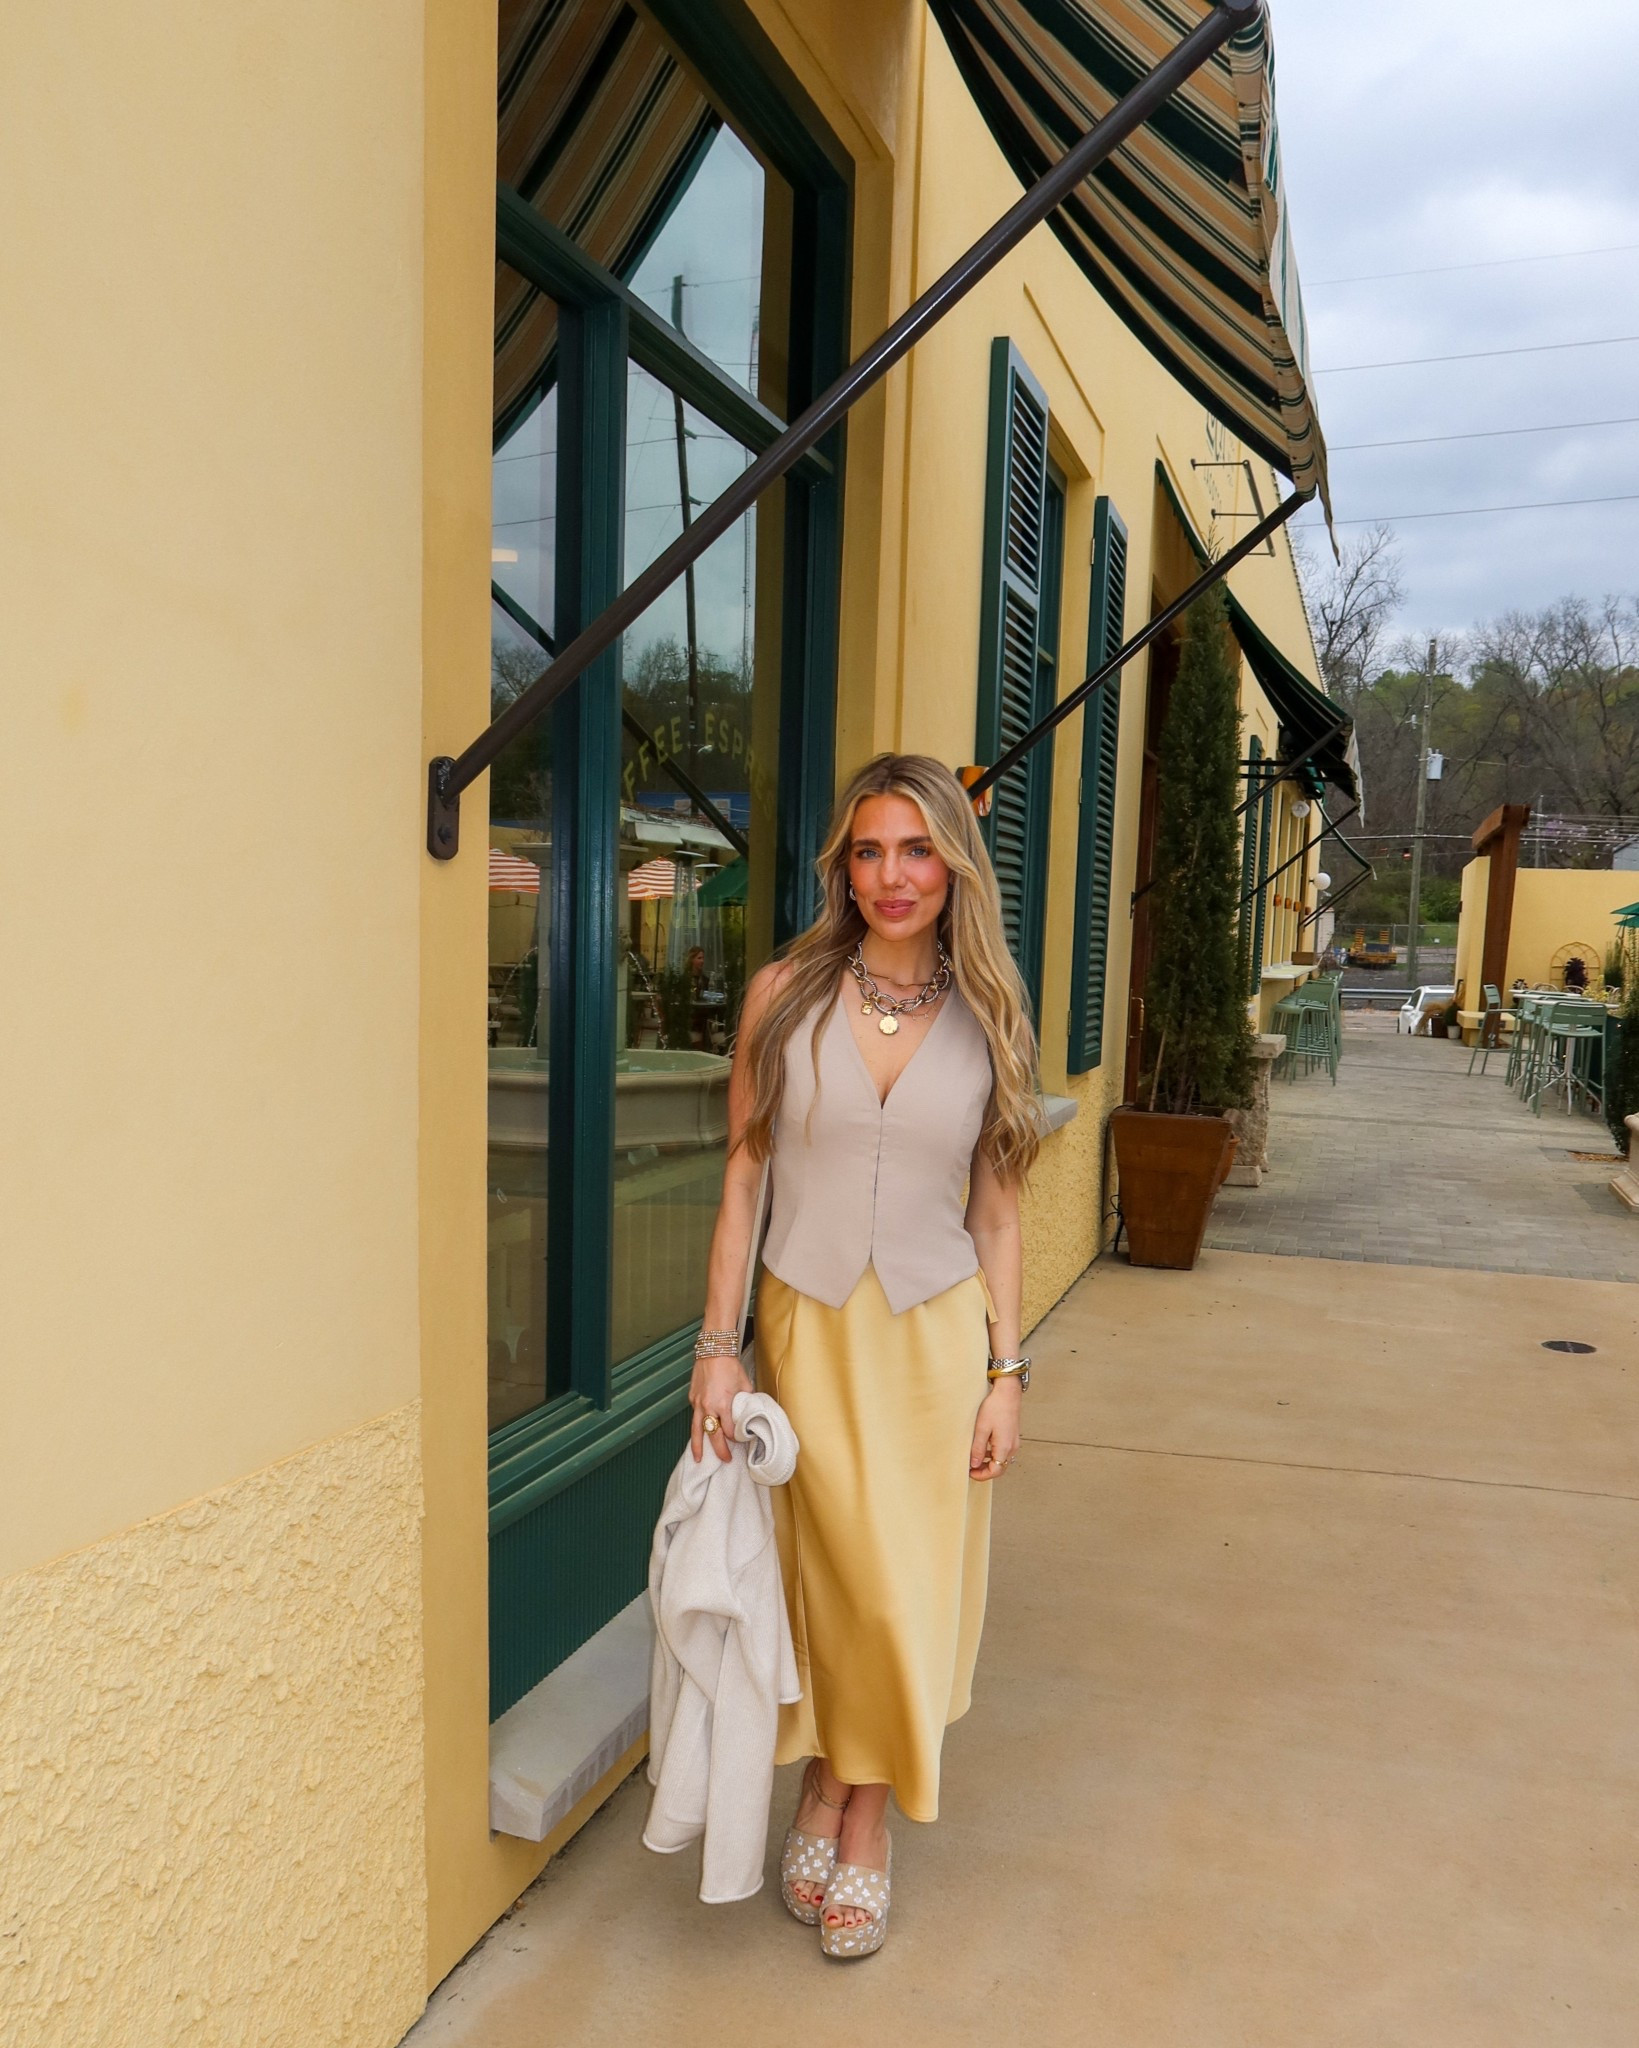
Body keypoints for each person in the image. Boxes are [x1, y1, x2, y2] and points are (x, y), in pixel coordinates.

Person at [688, 752, 1040, 1958]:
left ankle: (864, 1814)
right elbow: (743, 1182)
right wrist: (715, 1350)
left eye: (916, 849)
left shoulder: (992, 1011)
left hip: (934, 1347)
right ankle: (828, 1774)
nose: (892, 875)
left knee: (902, 1594)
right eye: (870, 849)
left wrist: (1007, 1372)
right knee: (825, 1583)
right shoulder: (782, 993)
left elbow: (996, 1214)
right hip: (803, 1336)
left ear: (952, 863)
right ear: (842, 863)